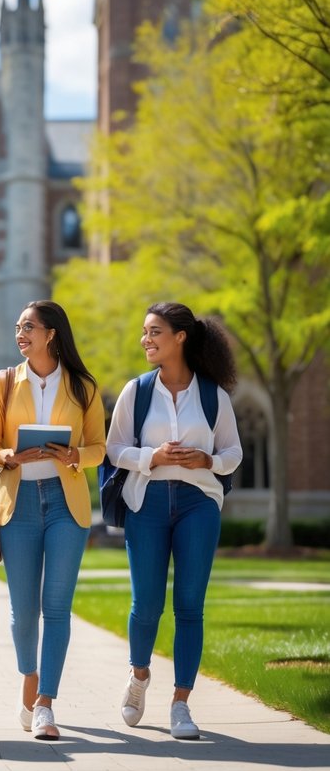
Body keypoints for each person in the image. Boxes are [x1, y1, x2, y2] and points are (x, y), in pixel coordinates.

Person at [107, 302, 242, 740]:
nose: (146, 340)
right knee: (145, 604)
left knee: (189, 605)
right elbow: (115, 449)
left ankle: (181, 704)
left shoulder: (212, 395)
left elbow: (233, 453)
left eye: (155, 332)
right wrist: (153, 457)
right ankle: (139, 675)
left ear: (180, 337)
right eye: (145, 332)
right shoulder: (137, 391)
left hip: (198, 502)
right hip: (147, 500)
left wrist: (209, 459)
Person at [0, 300, 105, 740]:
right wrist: (9, 456)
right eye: (18, 327)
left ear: (51, 333)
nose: (21, 334)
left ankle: (45, 704)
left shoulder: (82, 386)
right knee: (22, 611)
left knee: (56, 607)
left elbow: (98, 446)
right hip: (18, 502)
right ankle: (29, 681)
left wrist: (75, 455)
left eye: (29, 327)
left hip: (65, 501)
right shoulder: (3, 381)